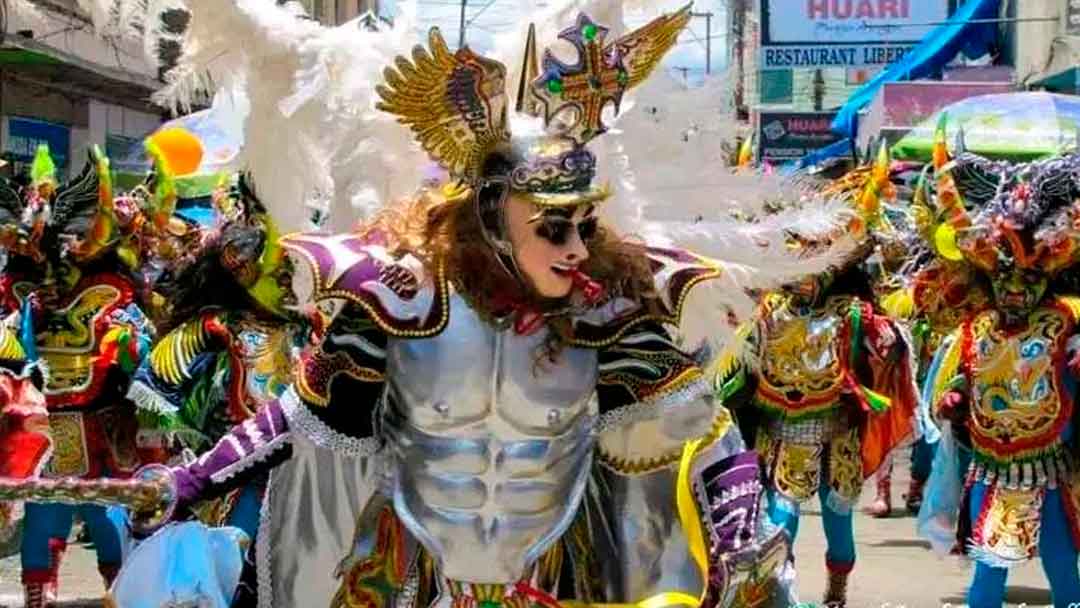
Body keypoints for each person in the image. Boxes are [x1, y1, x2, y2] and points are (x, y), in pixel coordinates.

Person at [100, 5, 860, 607]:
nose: (575, 248)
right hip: (407, 578)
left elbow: (707, 432)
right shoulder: (405, 300)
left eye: (585, 226)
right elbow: (305, 417)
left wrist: (739, 529)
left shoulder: (604, 317)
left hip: (556, 577)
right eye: (553, 228)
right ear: (493, 220)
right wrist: (191, 480)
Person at [922, 149, 1080, 608]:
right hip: (992, 469)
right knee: (988, 573)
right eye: (1004, 280)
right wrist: (953, 398)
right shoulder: (976, 328)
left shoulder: (1067, 321)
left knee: (1062, 566)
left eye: (1026, 280)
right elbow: (955, 384)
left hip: (1052, 468)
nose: (1013, 291)